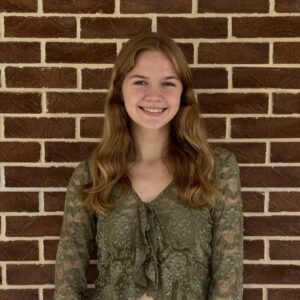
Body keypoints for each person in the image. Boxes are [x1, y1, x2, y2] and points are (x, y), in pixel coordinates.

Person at [54, 32, 243, 300]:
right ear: (121, 88)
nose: (154, 95)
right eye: (141, 81)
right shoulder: (94, 175)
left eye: (168, 83)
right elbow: (67, 282)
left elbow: (229, 276)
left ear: (183, 93)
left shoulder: (216, 169)